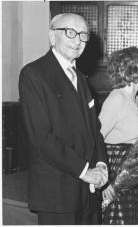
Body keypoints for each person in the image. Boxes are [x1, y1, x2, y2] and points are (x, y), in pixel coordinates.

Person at [18, 13, 109, 225]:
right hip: (58, 191)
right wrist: (86, 171)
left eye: (83, 35)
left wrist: (102, 164)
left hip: (88, 190)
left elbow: (94, 129)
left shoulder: (80, 77)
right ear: (52, 36)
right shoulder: (33, 74)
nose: (77, 40)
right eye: (70, 32)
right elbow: (42, 137)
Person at [99, 46, 138, 224]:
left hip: (131, 171)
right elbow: (96, 139)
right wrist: (104, 181)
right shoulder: (116, 99)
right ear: (133, 71)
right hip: (116, 173)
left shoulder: (135, 99)